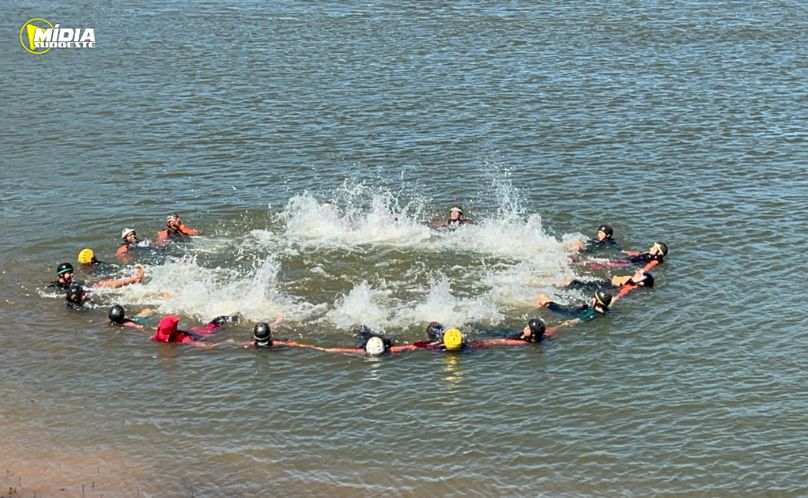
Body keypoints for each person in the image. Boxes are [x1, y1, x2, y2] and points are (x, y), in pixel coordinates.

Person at [150, 313, 239, 346]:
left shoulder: (156, 337)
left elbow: (207, 346)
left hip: (206, 330)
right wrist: (225, 342)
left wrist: (226, 342)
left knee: (223, 320)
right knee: (222, 319)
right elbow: (207, 346)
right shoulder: (183, 339)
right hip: (202, 331)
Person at [535, 289, 612, 321]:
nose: (592, 298)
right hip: (574, 310)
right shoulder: (606, 309)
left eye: (594, 297)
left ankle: (535, 310)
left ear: (597, 301)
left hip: (565, 312)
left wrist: (555, 329)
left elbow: (574, 321)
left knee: (542, 297)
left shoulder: (590, 314)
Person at [562, 268, 654, 294]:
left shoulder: (629, 286)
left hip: (604, 287)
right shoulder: (632, 280)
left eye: (640, 275)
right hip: (605, 284)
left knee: (571, 282)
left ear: (640, 283)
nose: (637, 272)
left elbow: (619, 294)